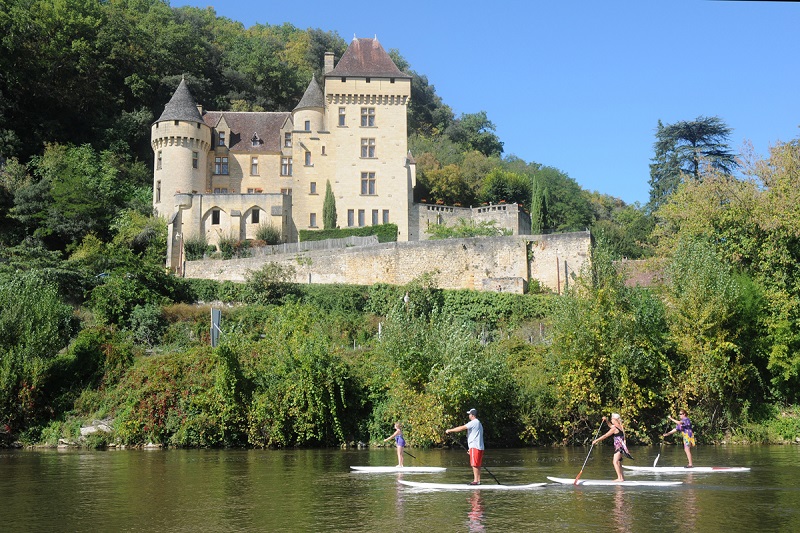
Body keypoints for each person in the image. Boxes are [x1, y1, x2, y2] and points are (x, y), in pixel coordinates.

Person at [445, 408, 484, 485]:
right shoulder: (479, 423)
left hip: (474, 446)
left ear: (472, 415)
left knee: (474, 464)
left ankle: (476, 481)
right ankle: (478, 480)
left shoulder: (474, 422)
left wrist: (450, 430)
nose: (469, 415)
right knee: (477, 464)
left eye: (469, 414)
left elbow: (461, 428)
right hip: (479, 447)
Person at [592, 413, 633, 482]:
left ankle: (620, 478)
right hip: (621, 447)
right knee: (619, 462)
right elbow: (610, 425)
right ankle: (621, 478)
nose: (611, 420)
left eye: (611, 419)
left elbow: (605, 435)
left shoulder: (615, 428)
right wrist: (606, 420)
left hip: (619, 447)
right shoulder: (620, 426)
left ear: (615, 419)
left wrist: (596, 440)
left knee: (615, 462)